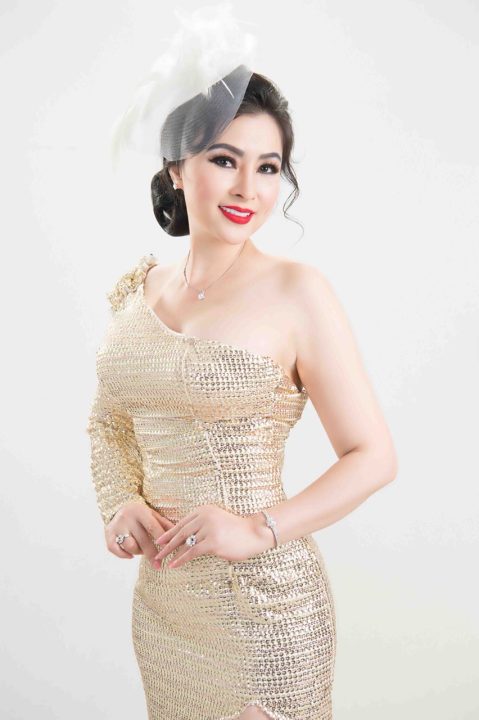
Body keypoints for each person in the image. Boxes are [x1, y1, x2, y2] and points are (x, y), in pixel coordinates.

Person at [86, 6, 398, 720]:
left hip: (266, 609)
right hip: (166, 610)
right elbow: (109, 424)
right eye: (225, 160)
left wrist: (258, 528)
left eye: (268, 168)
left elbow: (373, 455)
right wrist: (120, 501)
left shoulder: (297, 292)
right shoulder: (138, 292)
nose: (248, 190)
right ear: (176, 167)